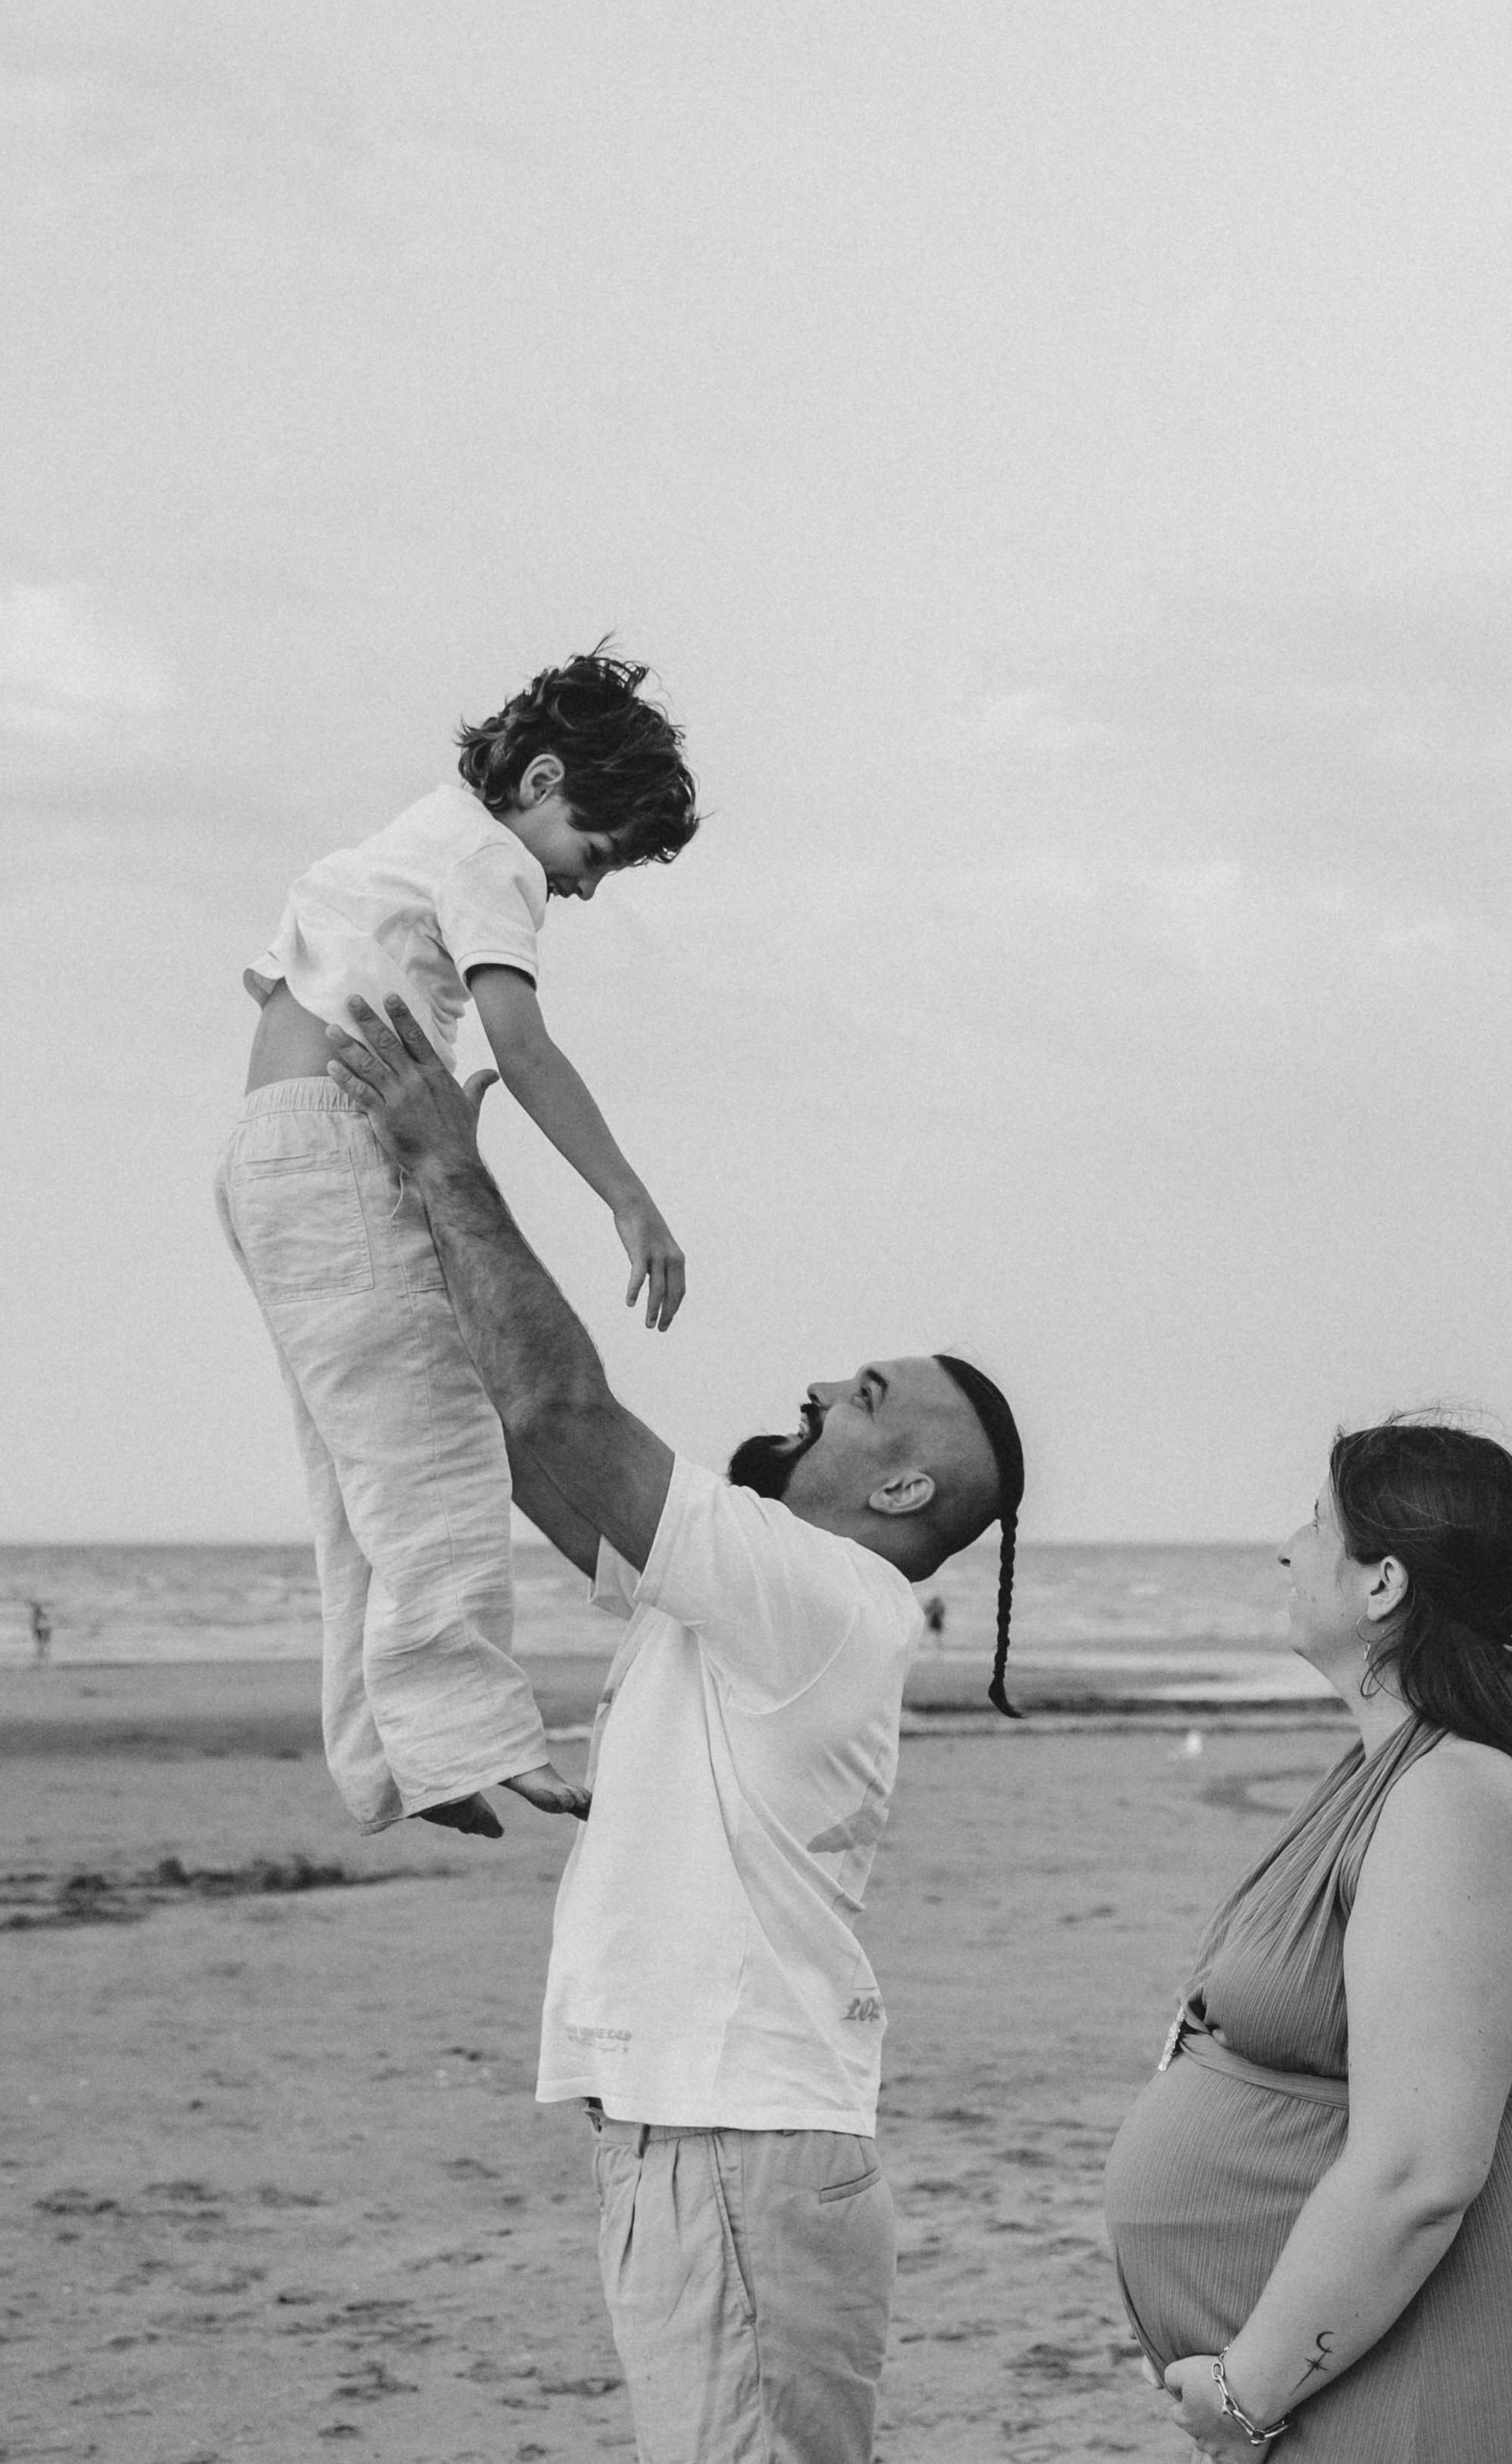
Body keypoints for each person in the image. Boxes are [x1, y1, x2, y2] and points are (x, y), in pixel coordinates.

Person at [321, 990, 1026, 2464]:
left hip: (735, 2137)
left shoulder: (824, 1593)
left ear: (903, 1492)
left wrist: (455, 1160)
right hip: (691, 2136)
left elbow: (570, 1412)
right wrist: (388, 1197)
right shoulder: (747, 1601)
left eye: (868, 1395)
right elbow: (515, 1443)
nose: (825, 1385)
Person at [1104, 1418, 1512, 2462]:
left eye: (1315, 1522)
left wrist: (1245, 2395)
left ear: (1383, 1584)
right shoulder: (1396, 1771)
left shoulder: (1453, 1798)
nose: (1285, 1548)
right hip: (1372, 2358)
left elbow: (1418, 2169)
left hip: (1443, 2359)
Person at [215, 652, 698, 1838]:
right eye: (601, 852)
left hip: (266, 1157)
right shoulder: (488, 855)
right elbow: (520, 1041)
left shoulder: (412, 837)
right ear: (543, 780)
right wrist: (629, 1198)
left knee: (359, 1479)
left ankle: (390, 1756)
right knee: (436, 1456)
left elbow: (286, 984)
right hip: (331, 1157)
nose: (587, 888)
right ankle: (469, 1738)